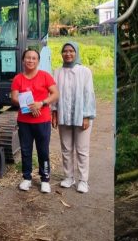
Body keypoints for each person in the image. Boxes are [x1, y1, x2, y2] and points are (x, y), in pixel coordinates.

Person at [11, 48, 59, 193]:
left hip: (42, 120)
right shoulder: (18, 78)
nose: (30, 60)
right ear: (23, 60)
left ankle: (45, 179)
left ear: (38, 61)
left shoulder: (45, 76)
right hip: (24, 121)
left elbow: (55, 93)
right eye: (28, 58)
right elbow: (14, 98)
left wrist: (41, 103)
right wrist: (29, 106)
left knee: (43, 150)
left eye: (33, 58)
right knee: (26, 150)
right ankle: (26, 178)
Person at [51, 42, 96, 194]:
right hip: (63, 115)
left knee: (82, 149)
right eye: (65, 51)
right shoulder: (56, 72)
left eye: (71, 51)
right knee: (66, 148)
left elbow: (89, 94)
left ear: (76, 53)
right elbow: (54, 95)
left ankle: (83, 180)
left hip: (81, 116)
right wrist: (54, 113)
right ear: (61, 53)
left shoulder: (84, 71)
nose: (68, 54)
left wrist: (86, 116)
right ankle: (69, 177)